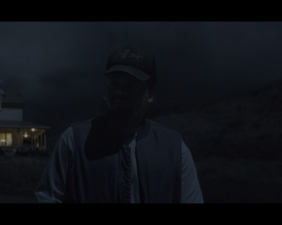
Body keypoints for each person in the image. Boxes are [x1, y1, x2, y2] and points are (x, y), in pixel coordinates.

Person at [35, 45, 204, 203]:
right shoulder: (74, 141)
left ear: (150, 93)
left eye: (131, 84)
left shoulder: (174, 149)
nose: (120, 90)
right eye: (114, 82)